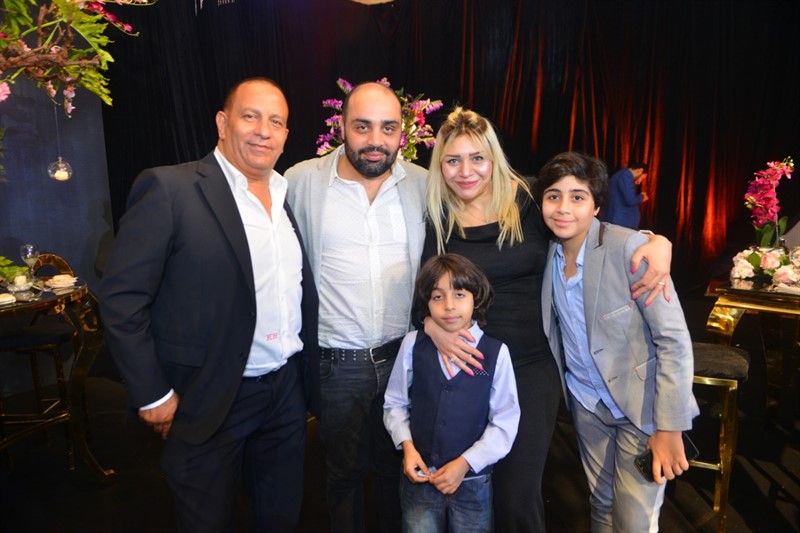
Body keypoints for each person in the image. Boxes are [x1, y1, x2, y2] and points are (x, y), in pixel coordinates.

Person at [422, 107, 673, 532]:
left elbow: (588, 229)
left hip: (529, 366)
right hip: (465, 366)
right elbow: (423, 286)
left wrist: (653, 240)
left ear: (494, 158)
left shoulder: (526, 199)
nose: (465, 171)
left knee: (517, 494)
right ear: (439, 165)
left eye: (477, 158)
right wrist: (430, 326)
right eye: (453, 160)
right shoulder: (434, 213)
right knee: (467, 492)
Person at [99, 78, 320, 533]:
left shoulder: (284, 197)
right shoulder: (170, 189)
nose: (263, 130)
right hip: (210, 398)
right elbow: (122, 299)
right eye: (250, 116)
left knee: (280, 517)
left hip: (284, 393)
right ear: (222, 123)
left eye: (276, 121)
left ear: (285, 135)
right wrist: (153, 394)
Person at [285, 81, 427, 533]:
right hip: (335, 366)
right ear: (341, 126)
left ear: (402, 132)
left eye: (388, 128)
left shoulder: (423, 184)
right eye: (362, 127)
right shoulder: (300, 182)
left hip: (402, 359)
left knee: (395, 469)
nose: (375, 140)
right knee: (343, 473)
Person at [534, 151, 699, 531]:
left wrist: (669, 426)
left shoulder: (631, 249)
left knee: (633, 521)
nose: (563, 208)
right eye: (553, 196)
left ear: (596, 206)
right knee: (601, 504)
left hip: (641, 409)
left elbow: (673, 341)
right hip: (587, 404)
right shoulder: (547, 255)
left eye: (577, 197)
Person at [384, 253, 520, 533]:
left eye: (459, 295)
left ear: (475, 299)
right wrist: (407, 447)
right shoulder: (413, 344)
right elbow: (394, 402)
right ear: (426, 302)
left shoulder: (496, 353)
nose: (448, 306)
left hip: (473, 484)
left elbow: (505, 421)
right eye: (437, 297)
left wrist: (466, 463)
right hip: (420, 478)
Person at [600, 162, 649, 229]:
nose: (639, 182)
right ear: (640, 170)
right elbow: (631, 200)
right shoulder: (626, 175)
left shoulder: (622, 174)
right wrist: (642, 196)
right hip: (620, 221)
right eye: (642, 179)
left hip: (618, 220)